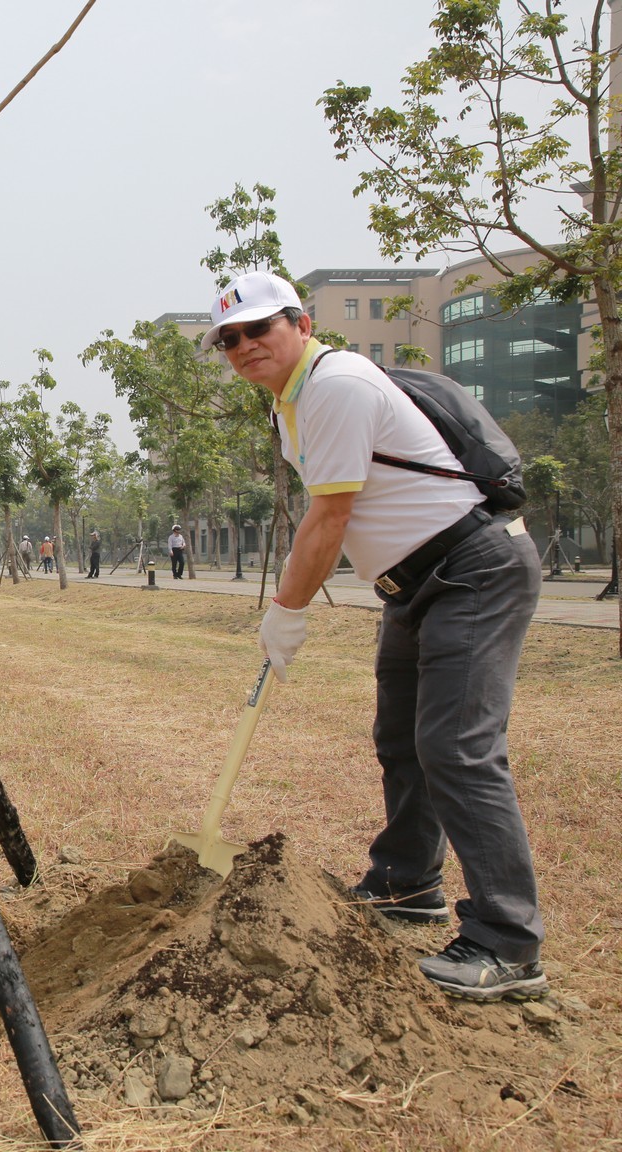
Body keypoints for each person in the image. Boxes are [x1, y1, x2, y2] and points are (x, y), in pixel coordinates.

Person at [207, 270, 546, 1001]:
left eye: (258, 329)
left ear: (300, 322)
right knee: (402, 740)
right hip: (415, 586)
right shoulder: (288, 406)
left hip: (472, 568)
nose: (243, 346)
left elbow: (329, 519)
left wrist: (288, 611)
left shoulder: (336, 386)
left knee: (457, 746)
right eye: (228, 338)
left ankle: (508, 941)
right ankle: (405, 884)